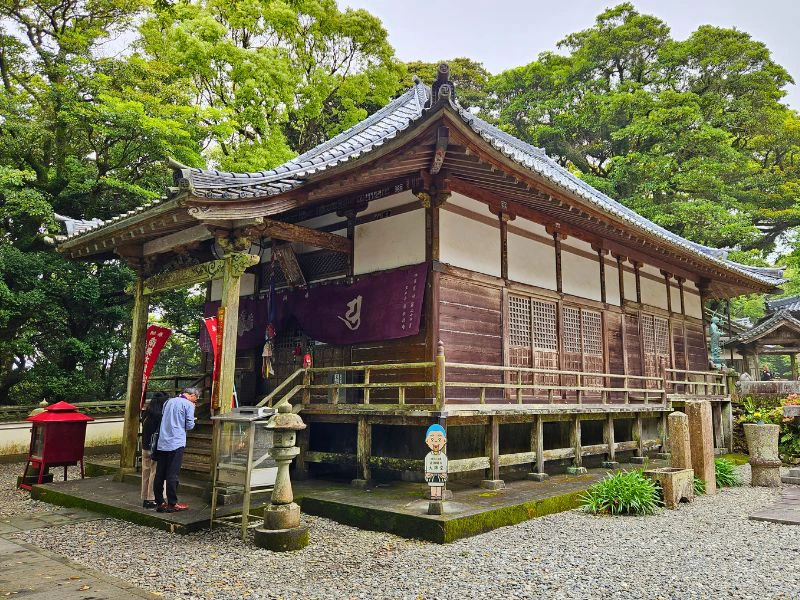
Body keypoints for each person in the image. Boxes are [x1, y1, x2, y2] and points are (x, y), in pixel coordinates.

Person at [153, 386, 198, 512]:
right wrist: (193, 417)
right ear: (191, 395)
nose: (195, 402)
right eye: (195, 399)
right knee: (173, 474)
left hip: (163, 441)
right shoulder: (188, 405)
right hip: (176, 442)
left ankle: (160, 501)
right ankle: (172, 503)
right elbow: (189, 425)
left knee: (160, 473)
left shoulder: (168, 402)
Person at [140, 391, 169, 509]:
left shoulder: (146, 414)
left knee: (145, 472)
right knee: (155, 473)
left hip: (145, 446)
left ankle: (145, 497)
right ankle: (152, 498)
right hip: (155, 448)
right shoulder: (160, 416)